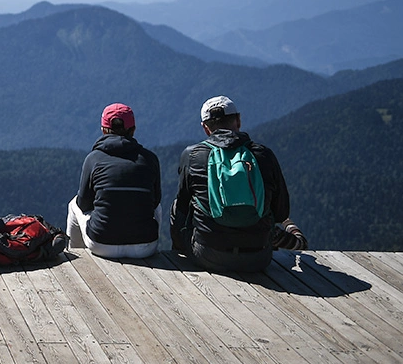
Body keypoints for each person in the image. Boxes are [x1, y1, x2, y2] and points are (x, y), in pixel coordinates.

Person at [170, 95, 299, 272]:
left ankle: (178, 257)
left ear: (205, 128)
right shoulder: (263, 155)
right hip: (259, 258)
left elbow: (182, 209)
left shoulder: (192, 155)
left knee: (177, 205)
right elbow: (281, 212)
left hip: (208, 255)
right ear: (238, 120)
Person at [66, 103, 161, 259]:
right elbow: (156, 200)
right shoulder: (150, 159)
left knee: (73, 204)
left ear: (103, 130)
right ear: (133, 130)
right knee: (157, 206)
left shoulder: (94, 159)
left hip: (102, 244)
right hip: (145, 246)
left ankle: (75, 257)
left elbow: (83, 203)